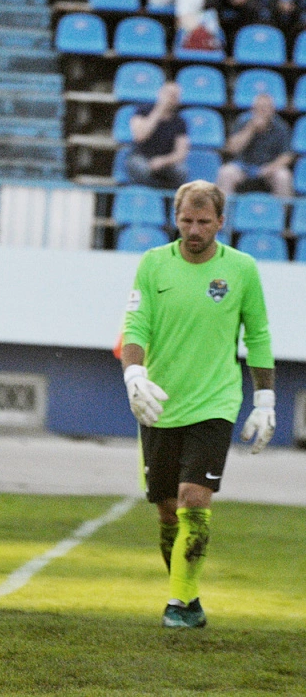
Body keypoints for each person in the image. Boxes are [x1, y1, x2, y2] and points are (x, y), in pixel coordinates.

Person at [120, 180, 276, 630]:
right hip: (160, 403)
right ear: (175, 218)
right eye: (186, 220)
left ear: (220, 222)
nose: (194, 230)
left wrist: (264, 399)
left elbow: (259, 334)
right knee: (168, 509)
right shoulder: (152, 265)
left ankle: (180, 605)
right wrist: (134, 375)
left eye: (203, 222)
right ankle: (188, 597)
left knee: (193, 498)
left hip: (216, 402)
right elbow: (135, 327)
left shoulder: (242, 269)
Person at [217, 92, 296, 197]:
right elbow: (232, 149)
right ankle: (223, 212)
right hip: (243, 166)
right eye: (259, 108)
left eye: (266, 108)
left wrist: (271, 168)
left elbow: (287, 155)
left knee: (283, 176)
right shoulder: (242, 121)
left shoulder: (281, 127)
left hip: (269, 166)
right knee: (225, 173)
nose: (262, 111)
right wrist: (251, 129)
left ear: (273, 110)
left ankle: (282, 213)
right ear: (252, 109)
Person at [126, 82, 190, 189]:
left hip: (165, 161)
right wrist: (159, 110)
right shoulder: (142, 111)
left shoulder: (180, 122)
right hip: (141, 157)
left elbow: (181, 153)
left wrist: (163, 161)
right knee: (141, 169)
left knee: (181, 171)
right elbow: (140, 136)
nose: (171, 98)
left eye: (175, 96)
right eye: (168, 94)